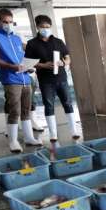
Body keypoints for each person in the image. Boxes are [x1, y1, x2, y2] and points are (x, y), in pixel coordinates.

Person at [0, 8, 41, 153]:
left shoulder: (16, 38)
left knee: (26, 110)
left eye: (11, 22)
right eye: (5, 22)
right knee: (15, 111)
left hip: (25, 78)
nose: (8, 24)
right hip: (11, 79)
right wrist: (13, 67)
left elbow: (23, 57)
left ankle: (29, 138)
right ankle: (13, 141)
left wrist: (28, 67)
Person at [24, 14, 82, 142]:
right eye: (42, 27)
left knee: (68, 103)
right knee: (49, 105)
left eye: (47, 27)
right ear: (37, 27)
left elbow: (68, 58)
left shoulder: (58, 42)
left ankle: (74, 131)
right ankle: (53, 134)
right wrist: (43, 65)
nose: (45, 29)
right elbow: (28, 63)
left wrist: (64, 63)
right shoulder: (32, 44)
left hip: (61, 78)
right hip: (45, 80)